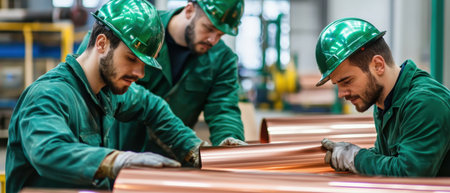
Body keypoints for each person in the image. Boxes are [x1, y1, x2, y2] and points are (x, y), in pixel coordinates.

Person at [5, 0, 205, 192]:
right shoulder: (49, 95)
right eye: (131, 58)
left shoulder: (106, 92)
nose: (140, 73)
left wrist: (194, 149)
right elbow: (48, 150)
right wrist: (115, 160)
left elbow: (152, 106)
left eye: (144, 64)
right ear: (102, 44)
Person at [76, 0, 247, 157]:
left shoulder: (222, 59)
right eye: (208, 28)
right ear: (189, 10)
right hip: (113, 152)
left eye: (220, 35)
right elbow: (89, 76)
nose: (212, 40)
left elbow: (224, 109)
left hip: (169, 159)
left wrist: (229, 139)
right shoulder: (135, 27)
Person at [315, 18, 450, 176]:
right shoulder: (384, 103)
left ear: (378, 65)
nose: (341, 93)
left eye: (347, 81)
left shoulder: (424, 103)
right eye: (337, 84)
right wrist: (349, 154)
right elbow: (388, 158)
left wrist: (355, 158)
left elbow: (410, 175)